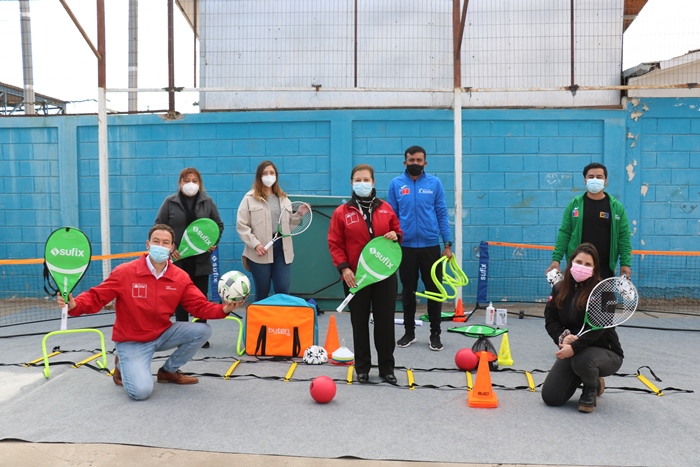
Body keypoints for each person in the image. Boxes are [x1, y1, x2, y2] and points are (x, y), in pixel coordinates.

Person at [57, 224, 244, 401]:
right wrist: (74, 305)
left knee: (202, 331)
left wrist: (224, 309)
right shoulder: (125, 272)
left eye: (165, 243)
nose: (160, 246)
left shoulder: (179, 277)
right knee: (142, 392)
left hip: (162, 334)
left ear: (172, 248)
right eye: (156, 241)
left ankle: (168, 371)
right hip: (132, 340)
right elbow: (96, 297)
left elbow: (199, 306)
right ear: (148, 244)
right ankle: (123, 362)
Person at [328, 163, 403, 385]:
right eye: (358, 180)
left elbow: (398, 233)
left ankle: (387, 368)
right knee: (359, 322)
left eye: (366, 179)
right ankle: (362, 368)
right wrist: (344, 268)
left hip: (384, 276)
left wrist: (395, 236)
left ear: (373, 182)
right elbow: (335, 243)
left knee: (385, 322)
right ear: (351, 183)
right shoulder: (342, 212)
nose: (362, 183)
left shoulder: (386, 209)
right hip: (355, 277)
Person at [542, 242, 624, 413]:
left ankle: (591, 386)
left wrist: (574, 347)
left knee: (583, 359)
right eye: (579, 262)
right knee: (551, 397)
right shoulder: (559, 288)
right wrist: (563, 337)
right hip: (574, 349)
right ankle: (587, 374)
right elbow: (551, 319)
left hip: (606, 353)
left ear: (594, 268)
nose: (582, 267)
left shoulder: (604, 291)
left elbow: (599, 328)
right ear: (571, 262)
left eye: (588, 264)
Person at [387, 145, 452, 351]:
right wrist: (393, 239)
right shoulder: (396, 184)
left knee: (434, 292)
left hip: (431, 247)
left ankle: (435, 334)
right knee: (408, 292)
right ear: (405, 162)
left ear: (425, 162)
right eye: (411, 160)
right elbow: (391, 216)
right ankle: (409, 332)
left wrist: (447, 244)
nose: (415, 163)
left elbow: (441, 213)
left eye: (419, 160)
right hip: (405, 247)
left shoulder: (435, 183)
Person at [155, 167, 224, 348]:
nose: (191, 184)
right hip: (178, 260)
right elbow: (159, 227)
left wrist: (214, 241)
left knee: (200, 299)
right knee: (179, 300)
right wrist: (171, 247)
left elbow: (218, 225)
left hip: (201, 261)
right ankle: (181, 337)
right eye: (187, 180)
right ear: (180, 183)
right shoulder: (169, 202)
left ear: (199, 183)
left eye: (194, 180)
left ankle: (200, 336)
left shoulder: (207, 202)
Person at [546, 162, 632, 280]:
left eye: (599, 177)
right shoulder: (574, 205)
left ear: (605, 181)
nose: (595, 179)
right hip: (578, 268)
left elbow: (623, 237)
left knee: (605, 299)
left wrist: (625, 263)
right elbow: (564, 233)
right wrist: (556, 260)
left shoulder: (616, 208)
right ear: (585, 180)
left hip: (605, 269)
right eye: (591, 177)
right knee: (575, 299)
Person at [236, 160, 295, 302]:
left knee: (283, 290)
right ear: (259, 176)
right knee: (262, 292)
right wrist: (255, 244)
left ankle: (281, 323)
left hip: (282, 249)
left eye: (272, 173)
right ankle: (261, 324)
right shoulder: (249, 198)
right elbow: (242, 225)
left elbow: (290, 225)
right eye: (265, 173)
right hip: (260, 252)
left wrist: (299, 215)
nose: (269, 176)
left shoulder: (284, 199)